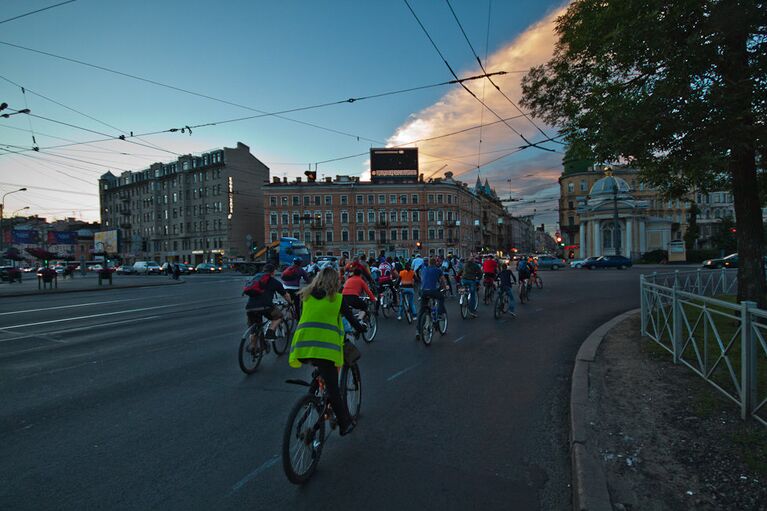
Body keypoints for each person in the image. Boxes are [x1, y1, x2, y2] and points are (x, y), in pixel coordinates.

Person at [289, 267, 366, 436]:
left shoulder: (306, 296)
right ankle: (344, 423)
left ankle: (312, 400)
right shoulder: (337, 299)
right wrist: (362, 328)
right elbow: (352, 320)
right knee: (334, 390)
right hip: (326, 350)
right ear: (335, 282)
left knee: (321, 371)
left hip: (302, 347)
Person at [242, 263, 292, 352]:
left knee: (254, 328)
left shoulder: (255, 279)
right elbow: (285, 295)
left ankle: (254, 347)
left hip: (250, 307)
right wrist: (290, 302)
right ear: (273, 272)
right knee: (279, 316)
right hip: (265, 307)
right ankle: (271, 331)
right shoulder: (274, 281)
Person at [417, 258, 447, 333]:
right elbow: (443, 281)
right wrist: (444, 287)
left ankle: (418, 329)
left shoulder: (424, 270)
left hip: (423, 291)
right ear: (436, 263)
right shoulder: (438, 270)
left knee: (422, 310)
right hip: (433, 291)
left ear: (429, 263)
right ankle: (439, 314)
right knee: (441, 298)